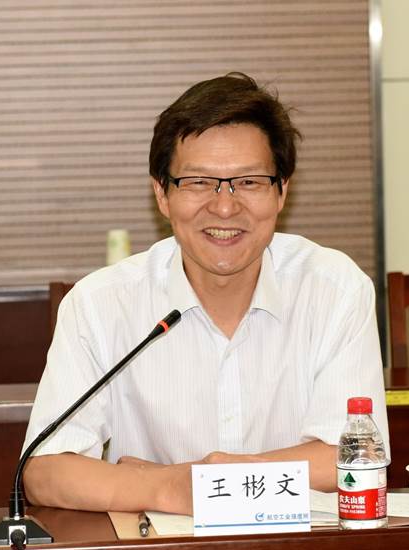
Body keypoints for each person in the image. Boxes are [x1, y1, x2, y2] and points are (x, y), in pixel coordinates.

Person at [22, 72, 389, 515]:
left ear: (281, 192)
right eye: (198, 182)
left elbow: (352, 457)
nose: (225, 206)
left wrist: (201, 478)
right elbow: (44, 471)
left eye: (249, 182)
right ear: (162, 194)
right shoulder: (99, 304)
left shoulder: (336, 290)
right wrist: (171, 488)